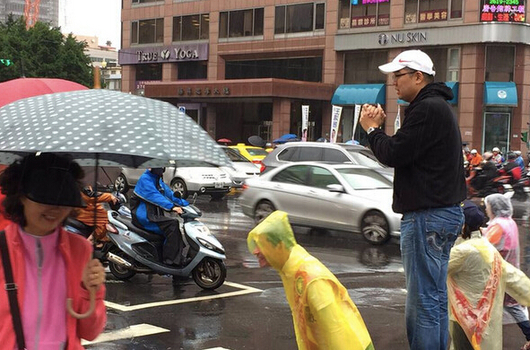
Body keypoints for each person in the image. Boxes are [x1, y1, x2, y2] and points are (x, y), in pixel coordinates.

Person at [359, 49, 466, 350]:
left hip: (427, 216)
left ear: (418, 77)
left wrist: (371, 129)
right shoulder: (436, 107)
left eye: (398, 76)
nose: (394, 83)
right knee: (434, 297)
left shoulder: (427, 108)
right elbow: (401, 151)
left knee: (423, 302)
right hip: (442, 214)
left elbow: (393, 153)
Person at [0, 153, 106, 348]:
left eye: (63, 200)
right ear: (21, 195)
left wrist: (91, 291)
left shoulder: (80, 250)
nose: (55, 209)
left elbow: (91, 332)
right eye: (44, 198)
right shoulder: (2, 249)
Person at [247, 210, 375, 350]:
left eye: (262, 245)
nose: (255, 251)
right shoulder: (290, 270)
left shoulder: (311, 279)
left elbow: (336, 331)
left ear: (280, 246)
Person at [447, 200, 530, 350]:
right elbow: (515, 278)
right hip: (484, 320)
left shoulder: (462, 251)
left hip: (464, 318)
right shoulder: (486, 247)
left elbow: (434, 270)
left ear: (462, 225)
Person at [482, 193, 530, 350]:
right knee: (512, 306)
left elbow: (484, 245)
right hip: (509, 271)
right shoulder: (509, 222)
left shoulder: (497, 225)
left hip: (498, 274)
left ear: (494, 207)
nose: (486, 208)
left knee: (501, 306)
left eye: (488, 205)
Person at [130, 168, 189, 265]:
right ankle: (171, 262)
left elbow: (170, 194)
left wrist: (185, 204)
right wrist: (172, 207)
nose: (162, 169)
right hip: (144, 217)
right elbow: (155, 196)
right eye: (159, 166)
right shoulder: (145, 179)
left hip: (154, 215)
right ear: (151, 167)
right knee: (172, 225)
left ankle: (176, 256)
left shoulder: (158, 180)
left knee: (172, 224)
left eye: (162, 166)